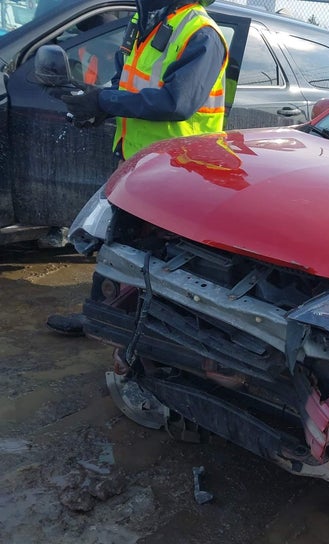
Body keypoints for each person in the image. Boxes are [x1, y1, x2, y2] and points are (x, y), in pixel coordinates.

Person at [46, 0, 228, 335]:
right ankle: (101, 318)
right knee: (118, 245)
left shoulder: (201, 32)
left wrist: (103, 101)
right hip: (137, 161)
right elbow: (126, 82)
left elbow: (177, 102)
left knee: (156, 258)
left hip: (179, 169)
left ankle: (149, 337)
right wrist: (97, 105)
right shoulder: (144, 20)